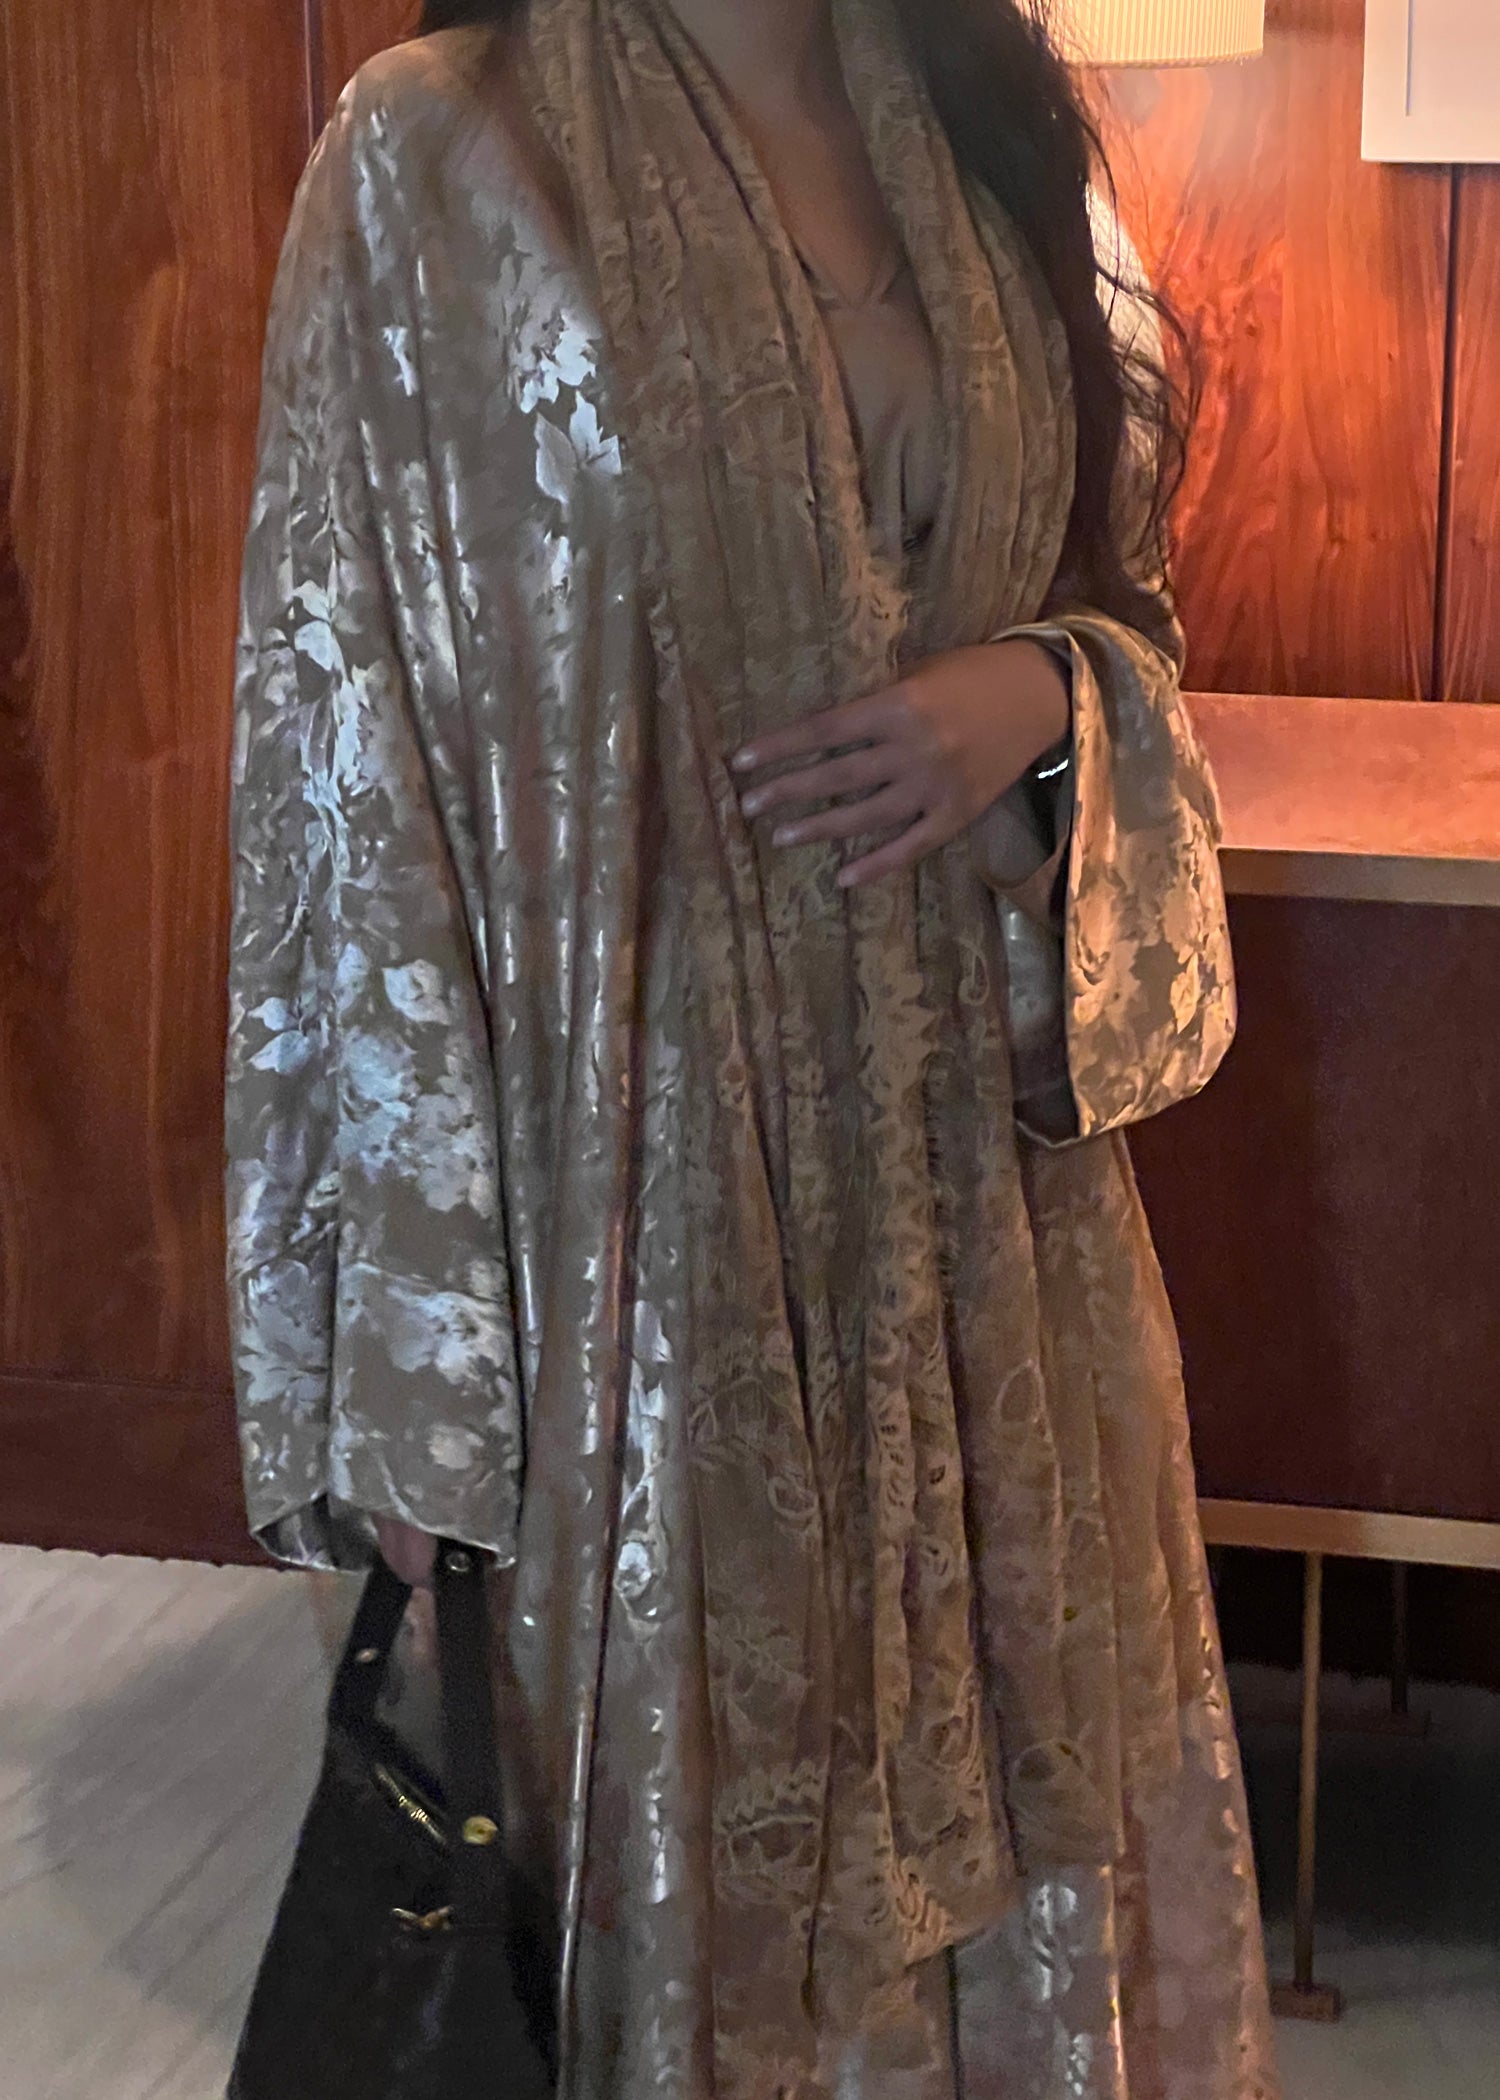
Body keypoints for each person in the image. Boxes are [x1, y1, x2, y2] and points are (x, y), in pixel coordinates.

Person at [226, 1, 1277, 2095]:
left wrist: (1043, 700)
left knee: (1031, 1862)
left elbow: (1128, 615)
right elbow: (346, 762)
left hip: (996, 1250)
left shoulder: (991, 136)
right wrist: (410, 1372)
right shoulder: (438, 156)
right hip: (637, 1247)